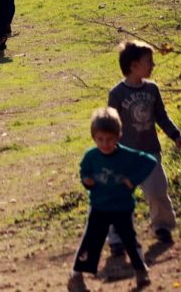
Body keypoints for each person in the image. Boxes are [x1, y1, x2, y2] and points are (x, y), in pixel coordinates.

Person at [105, 41, 181, 253]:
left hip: (150, 152)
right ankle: (117, 237)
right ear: (133, 66)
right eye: (149, 62)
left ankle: (162, 226)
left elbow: (162, 116)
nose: (153, 65)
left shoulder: (152, 90)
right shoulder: (117, 94)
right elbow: (111, 124)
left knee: (157, 191)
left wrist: (175, 134)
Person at [68, 108, 155, 292]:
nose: (105, 144)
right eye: (100, 139)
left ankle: (141, 271)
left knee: (130, 241)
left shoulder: (127, 155)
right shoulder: (92, 156)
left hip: (122, 207)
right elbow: (84, 170)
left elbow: (149, 161)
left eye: (109, 139)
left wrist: (133, 180)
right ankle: (76, 278)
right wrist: (87, 181)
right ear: (94, 138)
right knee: (91, 242)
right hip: (99, 207)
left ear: (118, 136)